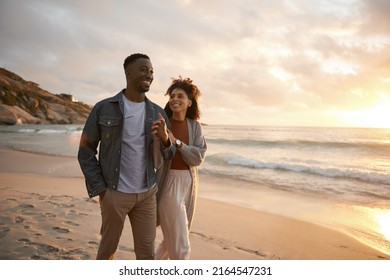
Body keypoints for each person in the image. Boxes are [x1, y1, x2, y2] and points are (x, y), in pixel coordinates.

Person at [77, 53, 171, 260]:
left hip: (147, 193)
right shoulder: (103, 108)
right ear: (128, 73)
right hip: (114, 192)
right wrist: (101, 188)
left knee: (146, 255)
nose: (149, 74)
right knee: (107, 251)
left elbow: (169, 155)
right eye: (144, 69)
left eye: (152, 71)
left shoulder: (157, 113)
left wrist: (165, 139)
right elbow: (85, 151)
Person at [155, 77, 207, 260]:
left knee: (170, 242)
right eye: (172, 96)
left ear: (189, 102)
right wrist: (164, 138)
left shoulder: (195, 126)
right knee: (180, 243)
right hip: (168, 183)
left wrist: (176, 142)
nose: (174, 99)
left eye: (180, 96)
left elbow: (197, 158)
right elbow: (160, 156)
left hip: (189, 185)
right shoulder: (163, 124)